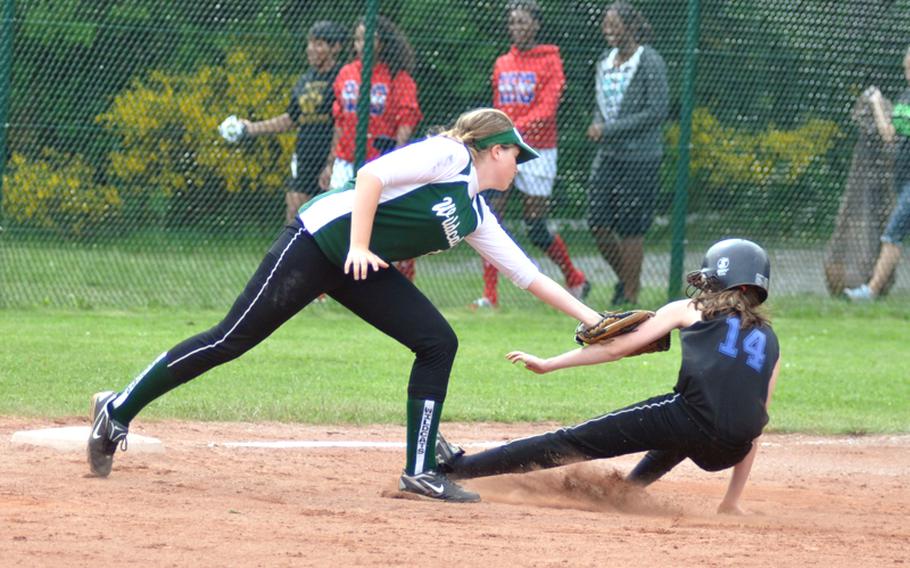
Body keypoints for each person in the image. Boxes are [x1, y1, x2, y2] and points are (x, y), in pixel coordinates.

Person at [87, 107, 604, 503]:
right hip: (319, 240)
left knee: (436, 341)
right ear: (493, 149)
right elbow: (372, 176)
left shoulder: (475, 213)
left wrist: (595, 320)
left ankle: (420, 470)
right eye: (517, 154)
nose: (520, 164)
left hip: (357, 264)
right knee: (231, 339)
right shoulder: (449, 156)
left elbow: (527, 275)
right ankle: (116, 411)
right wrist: (358, 245)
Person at [436, 238, 780, 514]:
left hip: (689, 419)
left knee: (572, 441)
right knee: (686, 429)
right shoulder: (771, 341)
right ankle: (626, 493)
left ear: (717, 279)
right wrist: (731, 501)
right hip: (729, 450)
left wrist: (549, 363)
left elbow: (615, 349)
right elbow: (757, 419)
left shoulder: (689, 309)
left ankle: (458, 469)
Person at [476, 0, 589, 308]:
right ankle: (490, 295)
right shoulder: (502, 62)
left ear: (536, 25)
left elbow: (548, 108)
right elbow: (498, 105)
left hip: (538, 148)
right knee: (489, 214)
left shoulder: (551, 60)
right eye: (513, 23)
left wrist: (513, 127)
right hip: (503, 147)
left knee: (536, 226)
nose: (517, 28)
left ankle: (575, 277)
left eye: (523, 22)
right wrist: (501, 134)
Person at [322, 15, 423, 281]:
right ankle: (327, 282)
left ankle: (401, 278)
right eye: (357, 38)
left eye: (368, 38)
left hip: (379, 162)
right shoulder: (346, 73)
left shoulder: (396, 76)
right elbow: (340, 120)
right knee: (334, 220)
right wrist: (331, 161)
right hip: (345, 158)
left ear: (382, 42)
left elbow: (406, 119)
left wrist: (398, 160)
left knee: (385, 222)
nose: (361, 43)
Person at [220, 21, 347, 224]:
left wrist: (332, 162)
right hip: (305, 154)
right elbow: (291, 119)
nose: (311, 49)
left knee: (330, 220)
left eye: (319, 44)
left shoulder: (343, 78)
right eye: (310, 44)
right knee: (295, 216)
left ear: (336, 48)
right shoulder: (304, 80)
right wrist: (249, 128)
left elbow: (344, 122)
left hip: (334, 157)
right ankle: (295, 257)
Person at [587, 2, 668, 306]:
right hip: (608, 156)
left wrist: (609, 129)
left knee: (632, 227)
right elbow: (601, 104)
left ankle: (630, 298)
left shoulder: (649, 61)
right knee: (597, 222)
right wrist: (598, 123)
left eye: (614, 24)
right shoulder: (604, 62)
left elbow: (657, 111)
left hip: (641, 157)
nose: (607, 30)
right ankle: (628, 279)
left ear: (631, 26)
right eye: (605, 25)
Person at [845, 46, 910, 301]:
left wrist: (876, 104)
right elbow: (890, 133)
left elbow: (887, 131)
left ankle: (870, 292)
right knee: (894, 232)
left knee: (893, 233)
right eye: (906, 64)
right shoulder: (906, 95)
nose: (907, 68)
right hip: (903, 178)